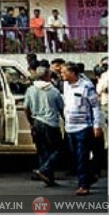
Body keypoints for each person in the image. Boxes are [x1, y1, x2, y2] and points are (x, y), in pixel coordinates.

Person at [61, 62, 103, 196]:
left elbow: (95, 106)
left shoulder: (87, 86)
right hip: (70, 127)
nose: (62, 75)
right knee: (74, 155)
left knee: (82, 157)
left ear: (73, 73)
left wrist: (97, 125)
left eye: (64, 72)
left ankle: (83, 185)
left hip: (83, 127)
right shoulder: (66, 86)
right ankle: (90, 175)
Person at [25, 65, 64, 187]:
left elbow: (26, 108)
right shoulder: (54, 91)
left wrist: (31, 123)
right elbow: (61, 108)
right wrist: (66, 121)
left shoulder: (30, 90)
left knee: (42, 151)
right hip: (51, 123)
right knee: (58, 150)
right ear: (47, 76)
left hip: (37, 122)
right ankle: (44, 170)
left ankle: (48, 177)